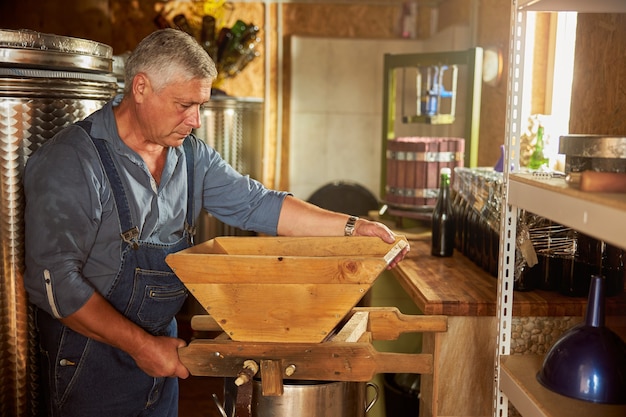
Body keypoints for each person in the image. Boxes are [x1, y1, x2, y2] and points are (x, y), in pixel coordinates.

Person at [23, 28, 409, 417]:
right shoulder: (73, 162)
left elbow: (258, 204)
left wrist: (353, 228)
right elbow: (55, 284)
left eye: (202, 105)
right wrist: (141, 347)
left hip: (162, 349)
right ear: (140, 87)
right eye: (184, 104)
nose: (197, 120)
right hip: (92, 363)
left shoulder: (190, 157)